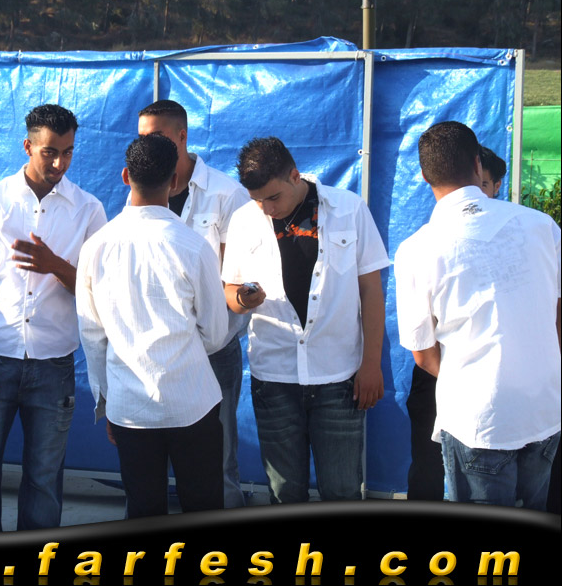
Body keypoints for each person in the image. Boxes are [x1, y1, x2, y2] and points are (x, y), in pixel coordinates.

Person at [0, 104, 107, 532]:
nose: (59, 163)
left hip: (54, 365)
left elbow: (99, 289)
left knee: (44, 478)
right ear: (28, 146)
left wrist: (54, 265)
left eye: (68, 152)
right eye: (49, 152)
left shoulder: (88, 209)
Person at [395, 121, 560, 510]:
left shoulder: (417, 249)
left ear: (424, 177)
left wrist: (473, 379)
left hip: (478, 418)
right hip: (544, 407)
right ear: (477, 164)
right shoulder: (541, 226)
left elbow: (423, 354)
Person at [221, 136, 389, 504]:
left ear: (295, 176)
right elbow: (229, 291)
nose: (267, 209)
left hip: (338, 375)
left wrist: (371, 363)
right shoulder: (244, 220)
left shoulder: (348, 209)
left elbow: (370, 290)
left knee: (342, 491)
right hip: (274, 376)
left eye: (273, 197)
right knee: (284, 492)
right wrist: (243, 298)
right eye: (258, 200)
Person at [77, 133, 227, 518]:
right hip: (192, 401)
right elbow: (215, 332)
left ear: (125, 176)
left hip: (130, 407)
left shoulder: (95, 247)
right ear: (174, 181)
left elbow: (93, 336)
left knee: (143, 511)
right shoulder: (194, 246)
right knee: (204, 508)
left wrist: (107, 401)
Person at [136, 99, 250, 508]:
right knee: (150, 463)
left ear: (182, 136)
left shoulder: (227, 195)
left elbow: (240, 276)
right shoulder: (140, 194)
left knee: (217, 460)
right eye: (142, 137)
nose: (147, 144)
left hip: (212, 351)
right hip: (157, 350)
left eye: (157, 136)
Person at [405, 144, 508, 502]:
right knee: (428, 464)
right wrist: (455, 377)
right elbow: (422, 339)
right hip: (440, 370)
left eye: (483, 186)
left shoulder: (523, 232)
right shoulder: (430, 241)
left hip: (498, 378)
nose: (474, 194)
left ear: (496, 186)